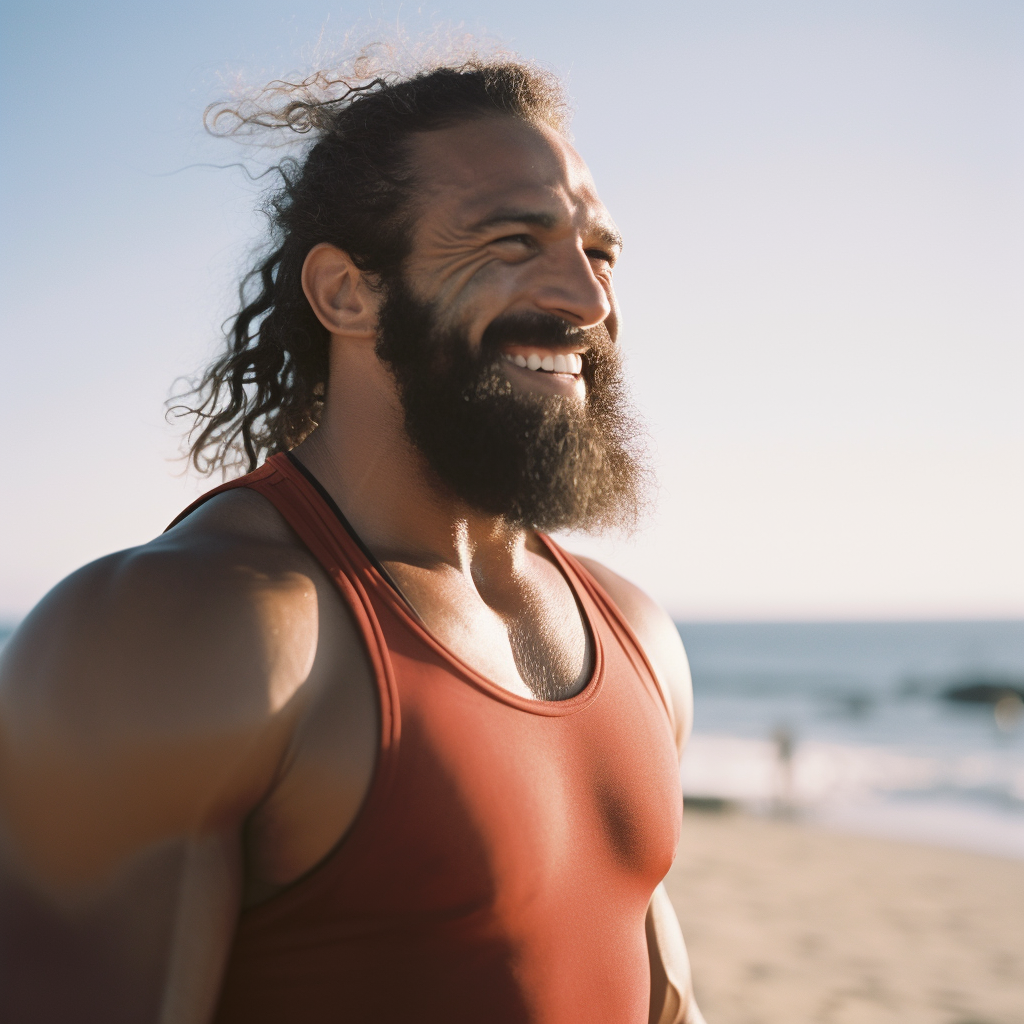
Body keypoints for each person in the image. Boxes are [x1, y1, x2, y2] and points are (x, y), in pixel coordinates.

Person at [0, 58, 705, 1024]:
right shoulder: (181, 633)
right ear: (347, 294)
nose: (588, 300)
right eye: (512, 241)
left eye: (603, 253)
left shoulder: (638, 638)